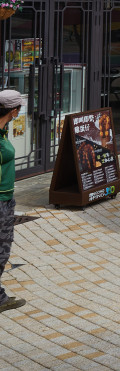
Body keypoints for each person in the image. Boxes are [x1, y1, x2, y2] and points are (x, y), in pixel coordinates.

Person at [0, 91, 25, 312]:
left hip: (6, 199)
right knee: (2, 250)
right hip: (0, 201)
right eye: (19, 109)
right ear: (13, 111)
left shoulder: (2, 129)